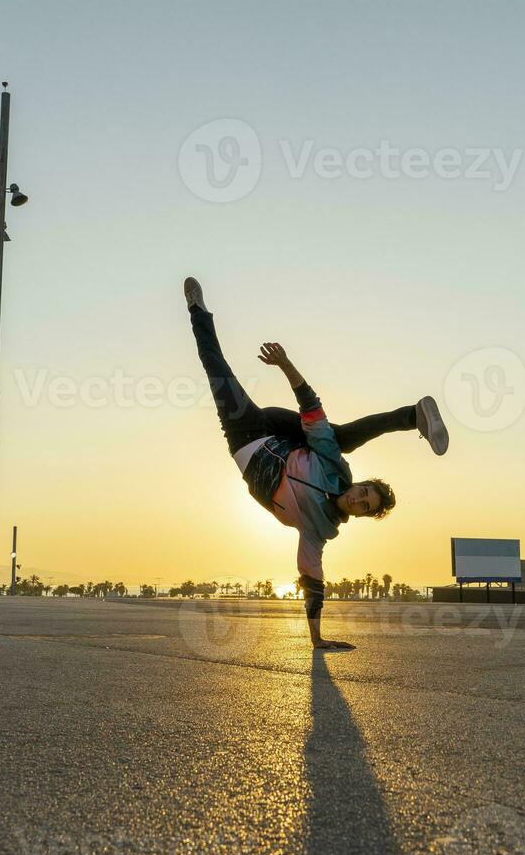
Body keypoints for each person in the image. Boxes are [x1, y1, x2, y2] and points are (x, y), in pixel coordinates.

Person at [184, 277, 449, 649]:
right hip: (281, 430)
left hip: (244, 437)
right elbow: (312, 412)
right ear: (359, 485)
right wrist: (285, 363)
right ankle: (412, 416)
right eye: (365, 491)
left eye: (365, 505)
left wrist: (318, 640)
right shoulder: (336, 469)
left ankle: (196, 311)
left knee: (216, 368)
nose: (359, 498)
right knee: (333, 438)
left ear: (359, 515)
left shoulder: (318, 531)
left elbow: (313, 580)